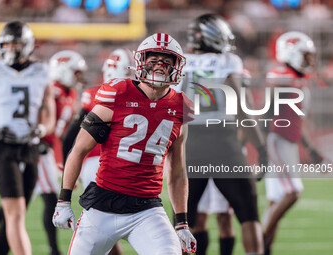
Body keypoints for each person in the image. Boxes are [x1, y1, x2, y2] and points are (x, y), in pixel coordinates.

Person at [52, 33, 197, 255]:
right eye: (154, 61)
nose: (160, 67)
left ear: (176, 67)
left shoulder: (180, 107)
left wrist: (182, 223)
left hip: (146, 209)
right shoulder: (117, 93)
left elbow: (177, 172)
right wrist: (63, 200)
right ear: (141, 63)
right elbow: (79, 149)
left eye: (167, 62)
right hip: (102, 206)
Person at [182, 14, 267, 255]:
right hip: (223, 143)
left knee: (183, 224)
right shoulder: (228, 62)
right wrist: (260, 148)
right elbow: (243, 110)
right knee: (249, 217)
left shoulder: (180, 62)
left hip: (190, 145)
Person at [62, 48, 134, 255]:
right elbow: (72, 137)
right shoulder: (107, 95)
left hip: (99, 166)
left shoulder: (96, 94)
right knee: (105, 224)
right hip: (106, 165)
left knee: (105, 226)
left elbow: (70, 137)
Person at [0, 21, 56, 255]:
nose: (10, 48)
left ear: (27, 45)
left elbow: (49, 110)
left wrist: (42, 129)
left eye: (16, 43)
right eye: (6, 43)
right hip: (2, 146)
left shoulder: (40, 71)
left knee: (19, 211)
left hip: (30, 146)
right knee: (15, 212)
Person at [263, 31, 323, 255]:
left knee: (275, 200)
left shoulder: (300, 81)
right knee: (293, 192)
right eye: (306, 55)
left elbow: (299, 122)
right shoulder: (282, 76)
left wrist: (312, 151)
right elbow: (265, 112)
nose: (311, 60)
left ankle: (264, 249)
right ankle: (258, 243)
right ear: (292, 53)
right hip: (278, 140)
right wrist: (261, 147)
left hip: (287, 142)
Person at [36, 49, 87, 255]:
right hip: (37, 150)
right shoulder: (50, 89)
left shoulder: (70, 93)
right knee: (44, 200)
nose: (78, 77)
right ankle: (54, 250)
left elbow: (62, 135)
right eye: (75, 72)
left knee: (16, 206)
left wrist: (63, 161)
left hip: (47, 151)